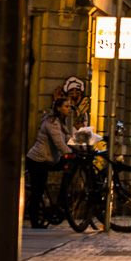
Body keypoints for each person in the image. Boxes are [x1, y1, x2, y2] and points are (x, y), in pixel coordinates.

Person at [25, 78, 82, 227]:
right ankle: (35, 221)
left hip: (50, 160)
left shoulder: (61, 122)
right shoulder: (51, 122)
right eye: (66, 107)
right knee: (38, 190)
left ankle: (62, 199)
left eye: (70, 107)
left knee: (69, 166)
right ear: (58, 108)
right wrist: (70, 153)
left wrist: (80, 148)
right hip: (38, 160)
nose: (69, 109)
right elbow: (59, 143)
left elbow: (68, 138)